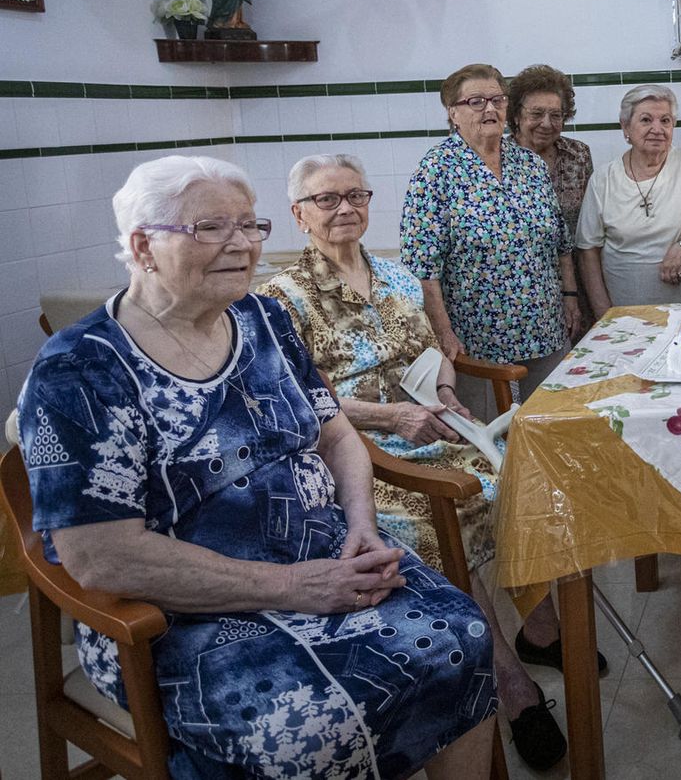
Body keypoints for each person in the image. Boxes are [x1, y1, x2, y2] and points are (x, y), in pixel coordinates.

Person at [17, 155, 511, 778]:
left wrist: (362, 525)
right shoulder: (80, 371)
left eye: (250, 226)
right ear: (143, 247)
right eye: (211, 228)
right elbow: (100, 558)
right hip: (185, 615)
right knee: (311, 725)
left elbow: (337, 436)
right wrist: (294, 587)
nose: (242, 244)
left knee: (464, 635)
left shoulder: (263, 319)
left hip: (324, 557)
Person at [259, 154, 597, 771]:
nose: (344, 208)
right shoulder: (279, 300)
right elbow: (298, 398)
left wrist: (444, 390)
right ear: (298, 215)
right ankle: (510, 684)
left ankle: (541, 626)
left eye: (355, 195)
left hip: (433, 427)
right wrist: (391, 418)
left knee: (532, 484)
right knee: (437, 522)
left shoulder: (395, 276)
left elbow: (433, 350)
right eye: (327, 199)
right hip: (360, 454)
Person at [402, 64, 582, 422]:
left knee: (552, 425)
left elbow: (560, 241)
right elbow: (422, 269)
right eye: (475, 101)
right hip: (475, 339)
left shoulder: (529, 164)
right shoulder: (435, 170)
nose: (489, 108)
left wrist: (570, 298)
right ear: (453, 113)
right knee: (485, 434)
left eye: (497, 100)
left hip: (545, 328)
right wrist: (443, 333)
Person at [576, 83, 681, 312]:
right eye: (646, 120)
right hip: (623, 312)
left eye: (665, 120)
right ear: (625, 127)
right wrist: (603, 314)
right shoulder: (603, 179)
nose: (657, 129)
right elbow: (588, 251)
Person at [507, 64, 595, 327]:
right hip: (523, 288)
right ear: (516, 115)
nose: (546, 123)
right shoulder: (498, 160)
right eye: (536, 113)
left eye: (556, 115)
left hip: (579, 281)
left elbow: (591, 221)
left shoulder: (579, 155)